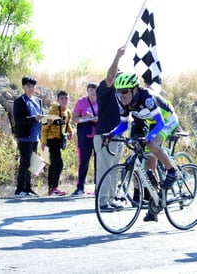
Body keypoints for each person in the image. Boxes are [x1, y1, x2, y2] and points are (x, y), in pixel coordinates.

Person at [102, 72, 179, 222]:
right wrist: (110, 135)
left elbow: (161, 123)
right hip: (150, 123)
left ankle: (172, 171)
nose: (121, 95)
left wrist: (149, 137)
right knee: (148, 164)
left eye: (124, 92)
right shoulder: (123, 101)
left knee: (152, 144)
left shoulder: (147, 97)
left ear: (134, 90)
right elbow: (124, 124)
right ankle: (156, 203)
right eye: (118, 92)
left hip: (167, 119)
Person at [93, 46, 125, 211]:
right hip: (105, 136)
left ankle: (111, 199)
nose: (118, 79)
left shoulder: (121, 95)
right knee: (104, 170)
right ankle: (102, 201)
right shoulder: (104, 90)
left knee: (114, 170)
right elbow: (110, 77)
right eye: (117, 76)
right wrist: (117, 57)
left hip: (117, 137)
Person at [13, 76, 43, 197]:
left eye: (33, 86)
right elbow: (18, 119)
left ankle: (28, 188)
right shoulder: (20, 101)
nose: (31, 88)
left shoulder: (38, 101)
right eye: (28, 86)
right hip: (25, 137)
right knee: (24, 162)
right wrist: (33, 118)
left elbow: (40, 117)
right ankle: (20, 189)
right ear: (23, 87)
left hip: (35, 137)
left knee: (32, 163)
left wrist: (45, 120)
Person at [41, 90, 73, 196]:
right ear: (58, 100)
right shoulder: (54, 111)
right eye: (62, 98)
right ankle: (53, 187)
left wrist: (70, 132)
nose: (64, 101)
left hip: (59, 140)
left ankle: (52, 188)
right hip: (51, 140)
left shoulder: (68, 112)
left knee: (54, 164)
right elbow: (45, 127)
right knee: (59, 163)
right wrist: (44, 142)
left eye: (66, 98)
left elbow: (67, 125)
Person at [71, 82, 99, 196]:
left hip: (98, 135)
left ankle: (99, 187)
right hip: (84, 136)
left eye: (95, 90)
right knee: (83, 162)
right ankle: (80, 187)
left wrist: (98, 119)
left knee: (99, 162)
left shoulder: (102, 102)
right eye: (91, 90)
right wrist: (85, 118)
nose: (93, 92)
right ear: (87, 91)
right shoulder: (81, 102)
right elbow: (74, 119)